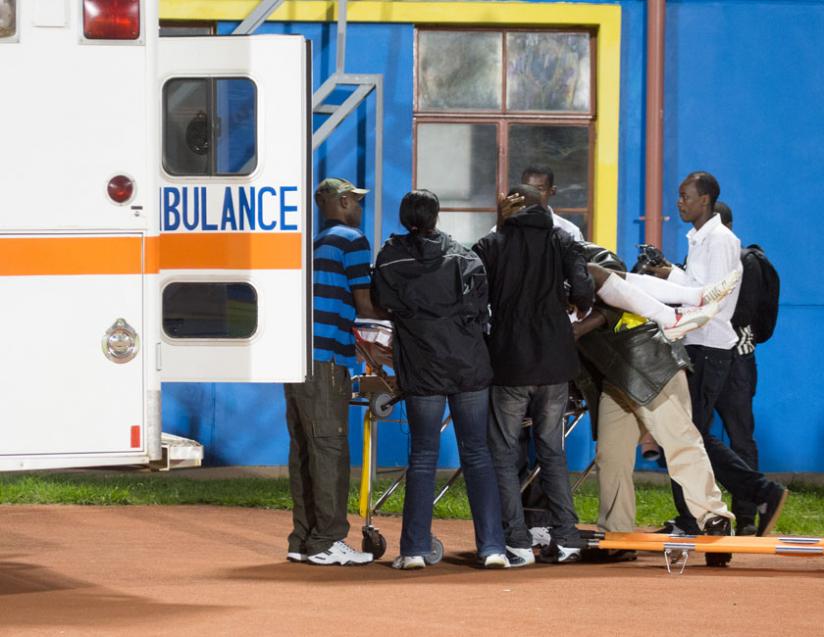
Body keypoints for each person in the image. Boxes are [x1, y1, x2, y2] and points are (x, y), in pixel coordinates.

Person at [638, 171, 787, 544]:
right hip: (696, 343)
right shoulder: (699, 238)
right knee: (689, 435)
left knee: (688, 435)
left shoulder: (721, 240)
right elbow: (696, 288)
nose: (679, 201)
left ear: (704, 199)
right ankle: (699, 513)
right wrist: (670, 273)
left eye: (685, 196)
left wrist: (668, 287)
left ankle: (755, 493)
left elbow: (714, 298)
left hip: (709, 346)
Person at [371, 189, 509, 570]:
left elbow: (380, 304)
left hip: (422, 368)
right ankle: (493, 548)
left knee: (422, 456)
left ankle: (414, 550)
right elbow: (482, 309)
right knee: (478, 454)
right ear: (436, 216)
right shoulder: (464, 256)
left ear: (403, 217)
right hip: (469, 367)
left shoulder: (389, 258)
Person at [571, 246, 735, 561]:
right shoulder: (546, 285)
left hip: (650, 364)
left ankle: (715, 519)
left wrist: (577, 328)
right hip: (616, 377)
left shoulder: (583, 257)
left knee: (680, 443)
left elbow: (617, 290)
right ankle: (617, 533)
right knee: (611, 456)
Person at [474, 185, 594, 566]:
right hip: (556, 363)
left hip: (510, 362)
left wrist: (498, 225)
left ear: (510, 207)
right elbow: (584, 293)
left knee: (504, 454)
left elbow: (474, 285)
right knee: (552, 451)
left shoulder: (494, 243)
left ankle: (517, 542)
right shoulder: (564, 239)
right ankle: (568, 538)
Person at [284, 177, 383, 566]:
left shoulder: (316, 244)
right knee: (330, 448)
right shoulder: (352, 240)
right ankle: (328, 540)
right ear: (342, 201)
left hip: (299, 359)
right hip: (327, 364)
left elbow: (335, 308)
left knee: (305, 450)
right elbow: (366, 305)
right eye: (356, 201)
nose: (360, 207)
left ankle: (303, 538)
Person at [713, 202, 764, 535]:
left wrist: (705, 309)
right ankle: (706, 514)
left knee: (740, 439)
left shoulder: (745, 260)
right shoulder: (704, 258)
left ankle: (746, 516)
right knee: (695, 438)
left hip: (736, 362)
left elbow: (744, 313)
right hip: (704, 358)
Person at [521, 166, 585, 241]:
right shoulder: (508, 229)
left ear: (552, 191)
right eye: (528, 189)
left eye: (539, 189)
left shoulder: (570, 231)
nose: (533, 194)